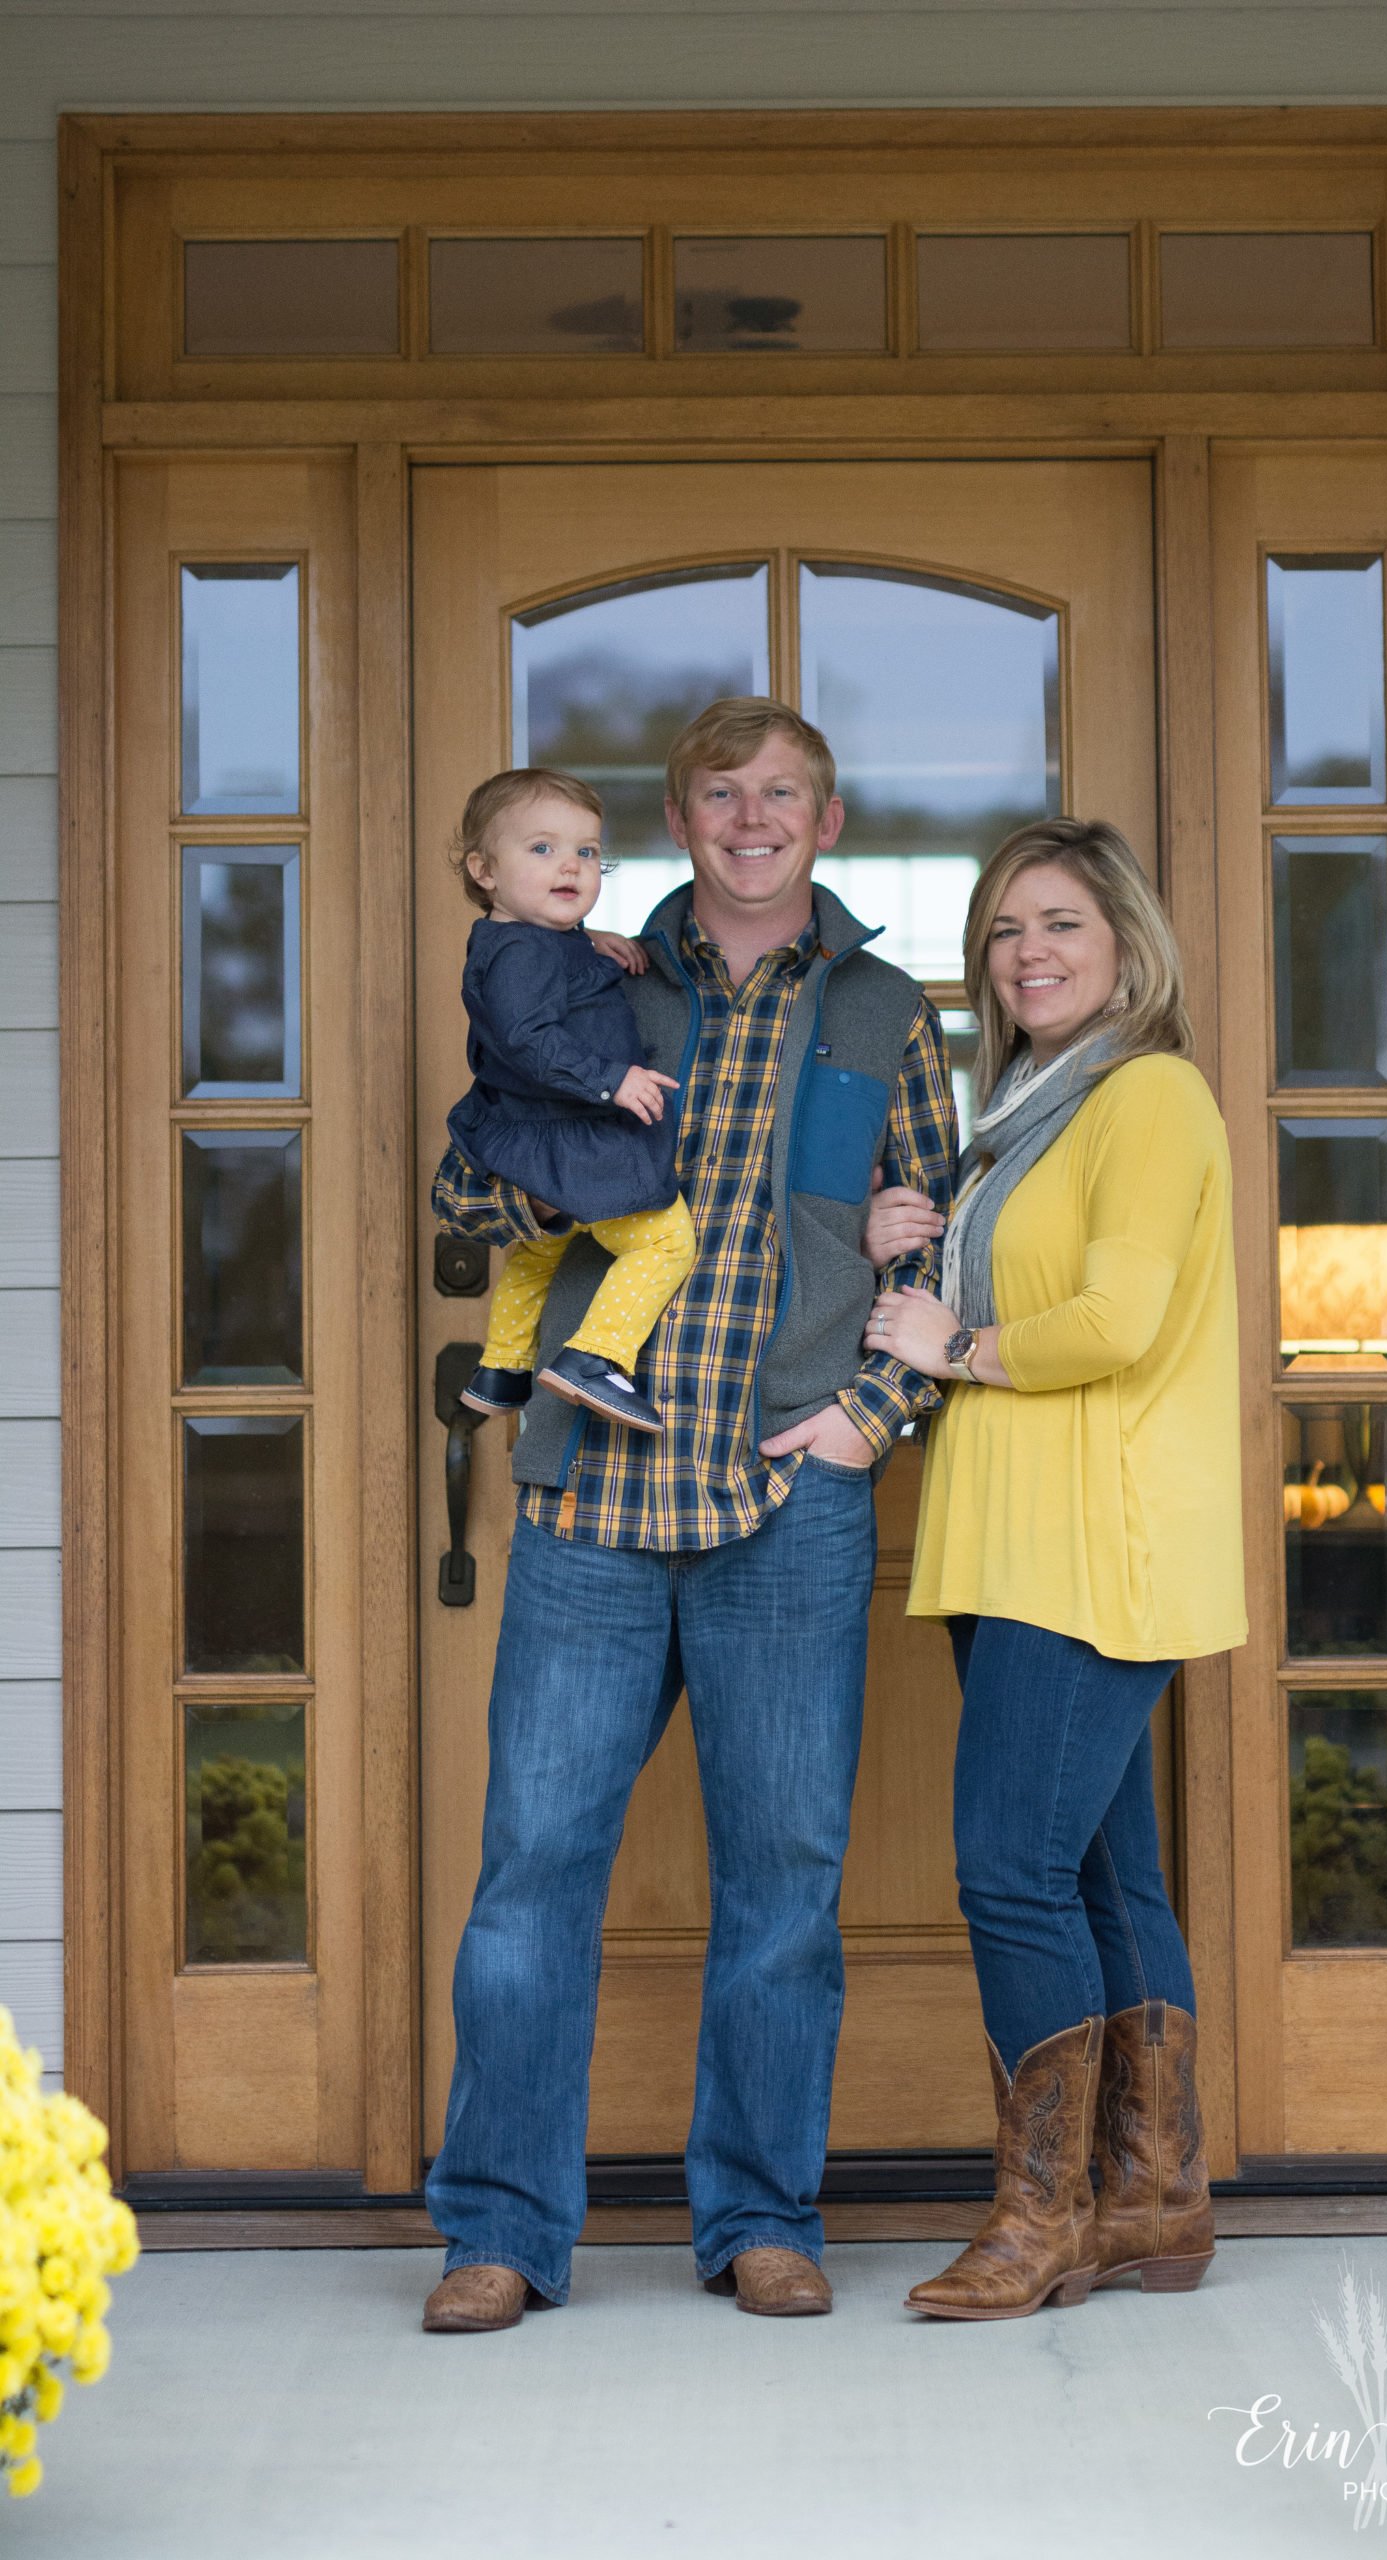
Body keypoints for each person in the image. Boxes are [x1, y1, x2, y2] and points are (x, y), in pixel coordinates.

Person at [420, 699, 957, 2332]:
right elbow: (461, 1186)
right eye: (721, 793)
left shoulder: (882, 1013)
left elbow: (943, 1240)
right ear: (682, 817)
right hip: (594, 1499)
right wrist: (554, 1183)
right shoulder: (594, 978)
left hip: (786, 1506)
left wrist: (870, 1418)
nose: (752, 818)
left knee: (784, 1885)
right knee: (532, 1872)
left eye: (781, 793)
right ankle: (497, 2232)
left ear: (826, 820)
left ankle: (760, 2217)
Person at [859, 816, 1246, 2321]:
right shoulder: (1025, 1115)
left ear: (1127, 946)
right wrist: (911, 1238)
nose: (1028, 952)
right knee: (1100, 1870)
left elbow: (1113, 1322)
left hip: (1091, 1538)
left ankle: (1042, 2216)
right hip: (1021, 1531)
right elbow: (1013, 1278)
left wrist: (949, 1341)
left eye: (1061, 924)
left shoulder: (1145, 1093)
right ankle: (1153, 2200)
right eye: (1005, 931)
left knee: (1009, 1870)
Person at [441, 766, 696, 1433]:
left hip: (536, 1132)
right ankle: (596, 1357)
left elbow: (545, 969)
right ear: (483, 870)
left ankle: (502, 1368)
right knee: (665, 1239)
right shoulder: (522, 956)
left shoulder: (525, 940)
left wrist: (588, 941)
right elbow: (527, 1038)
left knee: (539, 1252)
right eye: (542, 848)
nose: (571, 865)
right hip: (570, 1132)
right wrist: (612, 1080)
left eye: (587, 851)